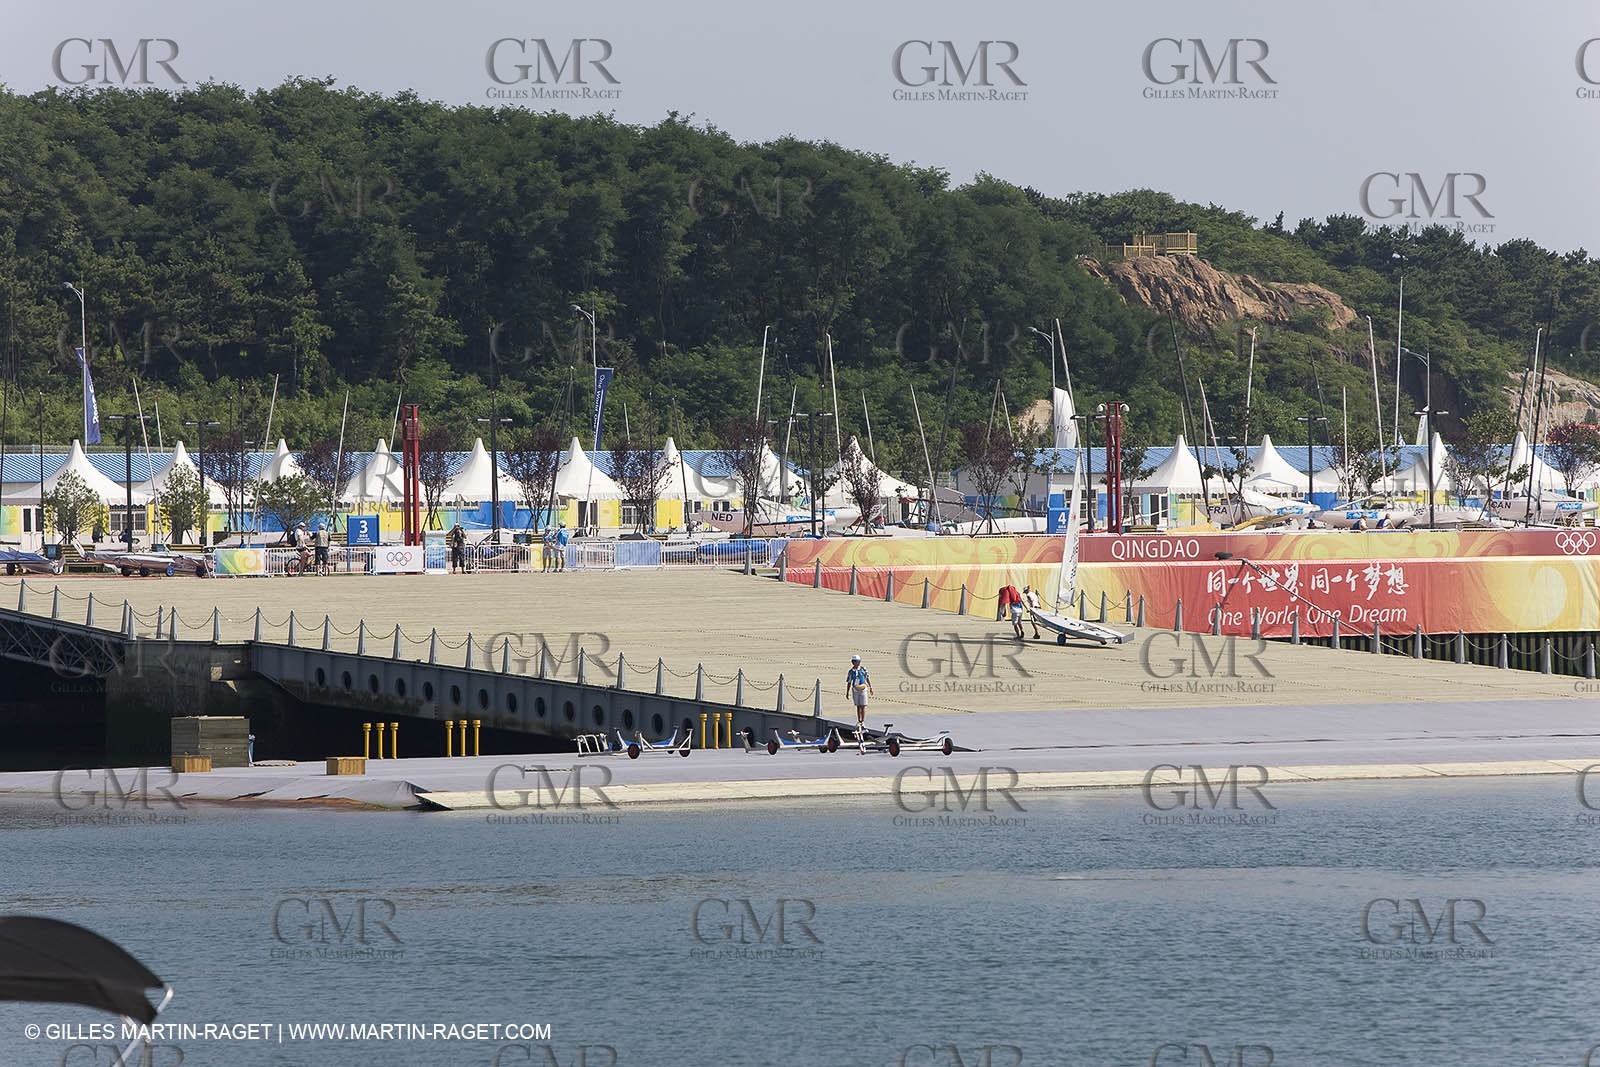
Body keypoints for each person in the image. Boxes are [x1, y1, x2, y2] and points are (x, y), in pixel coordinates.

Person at [844, 654, 873, 747]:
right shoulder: (851, 672)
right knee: (858, 705)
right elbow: (849, 682)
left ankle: (862, 721)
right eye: (854, 661)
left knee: (863, 705)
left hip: (863, 688)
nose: (856, 663)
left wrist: (870, 687)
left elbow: (867, 677)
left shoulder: (863, 669)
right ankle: (859, 720)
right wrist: (847, 692)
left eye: (857, 661)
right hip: (855, 689)